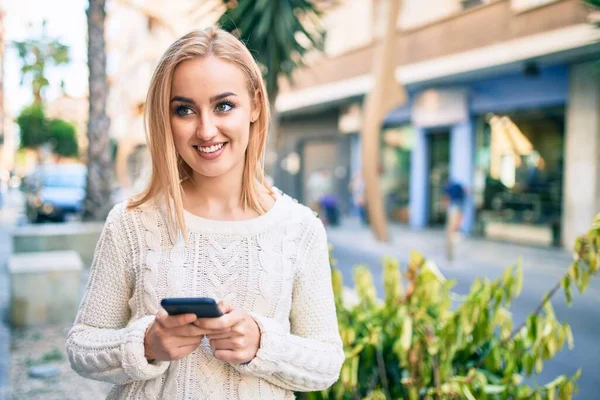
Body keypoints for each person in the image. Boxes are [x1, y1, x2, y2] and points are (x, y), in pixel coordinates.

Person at [66, 27, 344, 399]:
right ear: (167, 119)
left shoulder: (300, 228)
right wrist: (147, 343)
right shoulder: (132, 222)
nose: (206, 129)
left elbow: (326, 363)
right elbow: (82, 346)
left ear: (256, 105)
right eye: (184, 109)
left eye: (223, 105)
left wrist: (262, 343)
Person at [443, 180, 466, 261]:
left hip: (454, 208)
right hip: (458, 207)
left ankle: (449, 255)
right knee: (452, 230)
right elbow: (466, 190)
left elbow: (446, 197)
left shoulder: (449, 188)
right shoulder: (459, 186)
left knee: (450, 232)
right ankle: (450, 255)